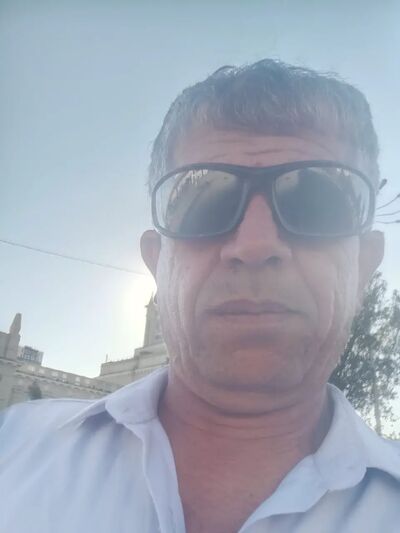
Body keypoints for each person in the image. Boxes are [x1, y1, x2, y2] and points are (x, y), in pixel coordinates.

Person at [1, 59, 399, 533]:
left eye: (316, 204)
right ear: (156, 262)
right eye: (206, 201)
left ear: (364, 264)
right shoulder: (14, 449)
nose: (255, 246)